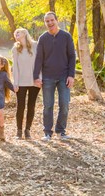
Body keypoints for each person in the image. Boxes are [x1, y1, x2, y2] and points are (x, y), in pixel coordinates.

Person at [33, 11, 76, 141]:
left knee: (64, 104)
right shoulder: (43, 38)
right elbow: (39, 58)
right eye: (47, 21)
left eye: (52, 20)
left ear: (56, 20)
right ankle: (47, 132)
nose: (50, 23)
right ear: (45, 23)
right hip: (48, 77)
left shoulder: (66, 36)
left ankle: (61, 131)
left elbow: (72, 56)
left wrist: (71, 75)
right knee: (48, 106)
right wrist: (36, 76)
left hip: (64, 77)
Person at [12, 28, 41, 140]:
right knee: (20, 106)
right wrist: (15, 82)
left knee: (31, 105)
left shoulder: (35, 45)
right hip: (21, 82)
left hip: (34, 81)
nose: (16, 35)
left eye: (18, 33)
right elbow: (15, 67)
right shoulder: (16, 49)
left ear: (24, 33)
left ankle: (27, 130)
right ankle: (19, 131)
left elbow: (40, 63)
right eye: (15, 34)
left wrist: (40, 78)